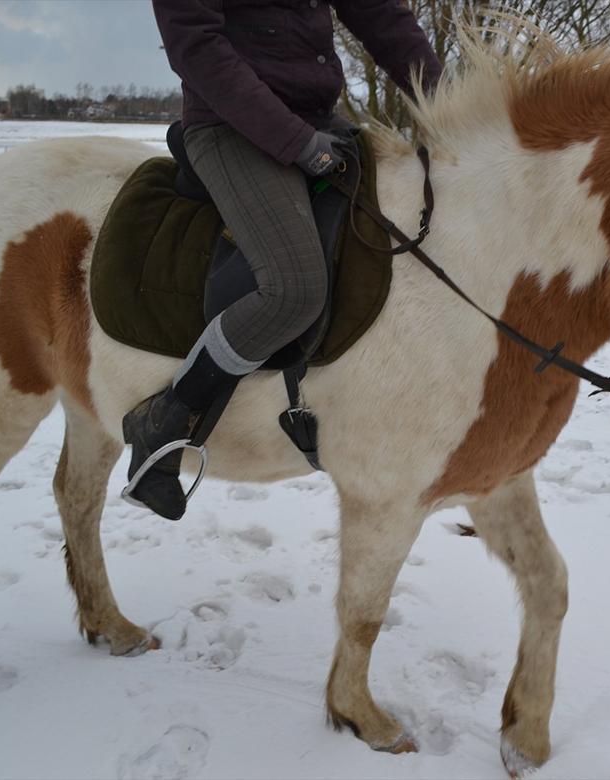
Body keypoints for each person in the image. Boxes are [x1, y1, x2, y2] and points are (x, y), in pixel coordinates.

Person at [126, 0, 443, 520]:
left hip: (318, 121)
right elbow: (195, 45)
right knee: (292, 289)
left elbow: (383, 18)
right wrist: (297, 143)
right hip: (232, 125)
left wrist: (447, 103)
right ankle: (166, 418)